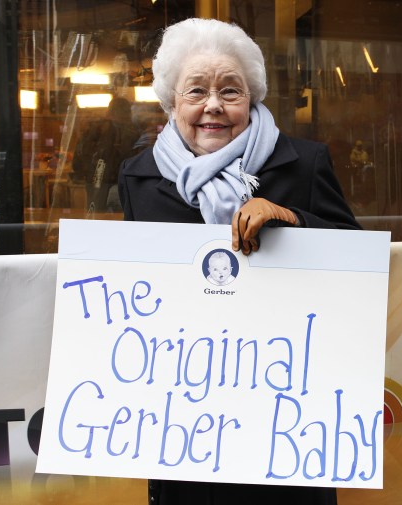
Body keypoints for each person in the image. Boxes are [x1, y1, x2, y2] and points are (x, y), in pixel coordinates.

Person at [118, 17, 360, 505]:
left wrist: (291, 217)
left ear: (252, 99)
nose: (213, 105)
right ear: (171, 102)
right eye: (196, 91)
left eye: (230, 91)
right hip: (185, 422)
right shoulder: (138, 177)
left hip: (286, 414)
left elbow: (358, 264)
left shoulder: (304, 163)